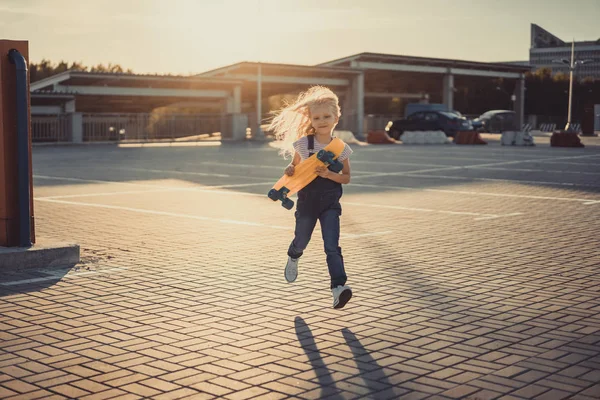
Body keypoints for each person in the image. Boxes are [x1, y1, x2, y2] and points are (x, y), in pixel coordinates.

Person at [268, 86, 353, 309]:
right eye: (317, 117)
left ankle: (338, 288)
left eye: (327, 116)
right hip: (307, 204)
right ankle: (294, 255)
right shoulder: (304, 145)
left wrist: (329, 174)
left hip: (330, 205)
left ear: (336, 117)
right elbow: (294, 167)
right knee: (302, 240)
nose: (322, 121)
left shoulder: (341, 148)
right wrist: (288, 170)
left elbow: (346, 178)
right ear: (311, 120)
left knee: (332, 246)